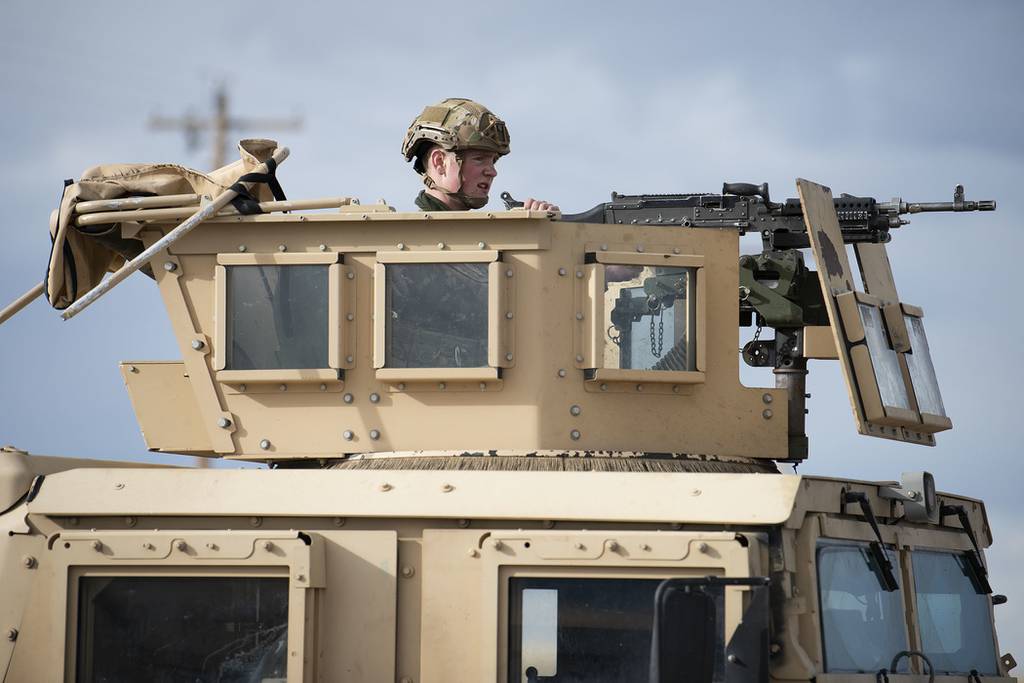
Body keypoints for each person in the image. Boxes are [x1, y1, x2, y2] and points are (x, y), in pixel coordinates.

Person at [402, 98, 558, 212]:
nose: (492, 172)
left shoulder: (475, 236)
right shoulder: (412, 240)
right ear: (440, 163)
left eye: (493, 161)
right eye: (479, 159)